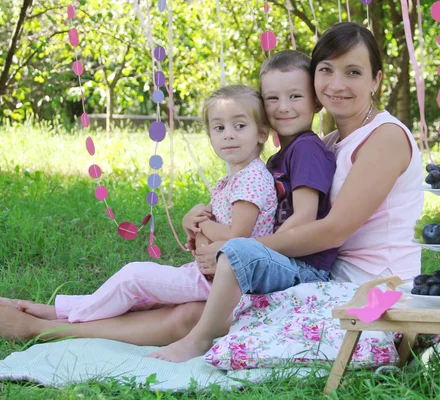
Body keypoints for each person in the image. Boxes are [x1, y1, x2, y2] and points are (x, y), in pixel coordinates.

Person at [0, 22, 424, 354]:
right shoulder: (330, 142)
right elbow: (267, 198)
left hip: (376, 293)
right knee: (194, 302)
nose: (336, 83)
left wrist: (233, 250)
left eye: (354, 72)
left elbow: (331, 231)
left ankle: (50, 328)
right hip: (325, 278)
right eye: (326, 70)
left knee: (200, 314)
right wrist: (204, 216)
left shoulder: (383, 138)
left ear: (377, 80)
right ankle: (59, 321)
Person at [0, 84, 278, 323]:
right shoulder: (235, 178)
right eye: (219, 127)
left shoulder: (251, 178)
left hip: (230, 282)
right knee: (137, 294)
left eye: (239, 126)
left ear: (262, 133)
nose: (228, 134)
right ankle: (59, 311)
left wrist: (203, 223)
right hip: (213, 274)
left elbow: (237, 237)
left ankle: (70, 319)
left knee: (133, 277)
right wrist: (191, 222)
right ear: (210, 136)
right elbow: (220, 229)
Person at [147, 49, 338, 361]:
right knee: (220, 263)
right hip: (284, 258)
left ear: (315, 101)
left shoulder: (306, 149)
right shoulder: (278, 159)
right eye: (272, 99)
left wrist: (240, 251)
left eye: (295, 96)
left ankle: (199, 339)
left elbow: (304, 217)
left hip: (305, 267)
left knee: (237, 250)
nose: (284, 107)